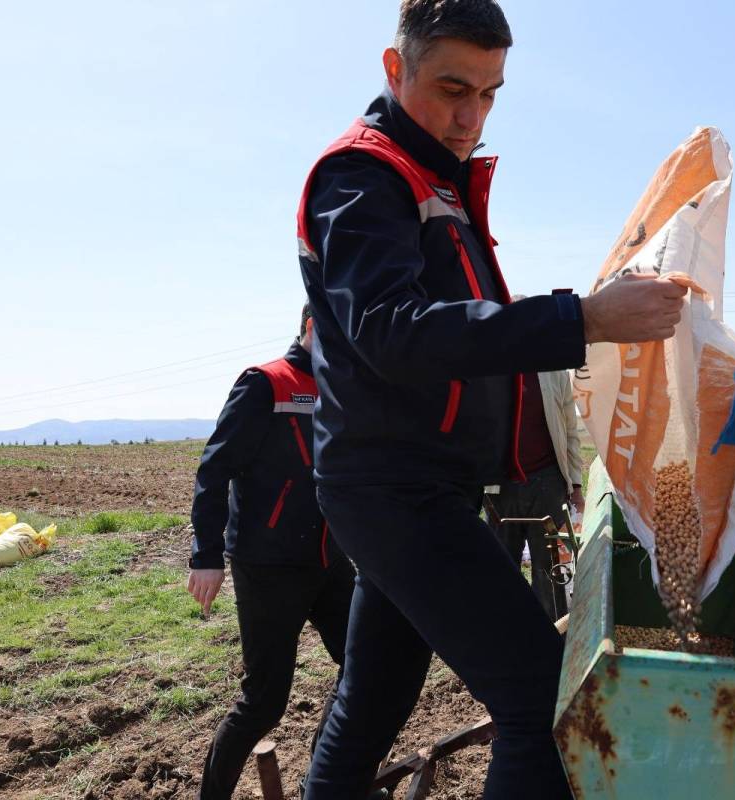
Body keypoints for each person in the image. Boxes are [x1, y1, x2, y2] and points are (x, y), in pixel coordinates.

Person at [295, 2, 686, 797]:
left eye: (491, 94)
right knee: (541, 704)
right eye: (451, 89)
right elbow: (392, 332)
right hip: (395, 492)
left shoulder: (431, 178)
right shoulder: (363, 177)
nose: (470, 117)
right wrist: (579, 318)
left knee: (372, 704)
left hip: (412, 483)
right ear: (394, 67)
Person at [186, 306, 355, 800]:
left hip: (330, 558)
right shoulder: (265, 384)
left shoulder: (340, 387)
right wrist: (206, 555)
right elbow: (213, 471)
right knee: (264, 702)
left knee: (363, 668)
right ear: (309, 326)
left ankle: (325, 783)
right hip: (268, 566)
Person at [486, 358, 584, 620]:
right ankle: (505, 634)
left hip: (547, 483)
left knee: (549, 572)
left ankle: (551, 640)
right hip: (499, 490)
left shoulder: (553, 371)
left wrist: (575, 484)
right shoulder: (486, 365)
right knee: (501, 569)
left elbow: (570, 431)